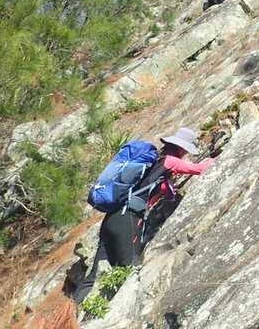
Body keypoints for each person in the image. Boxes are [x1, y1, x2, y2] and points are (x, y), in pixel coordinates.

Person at [72, 127, 215, 304]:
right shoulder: (170, 161)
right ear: (182, 148)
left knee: (93, 277)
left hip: (112, 218)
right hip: (128, 219)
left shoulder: (155, 162)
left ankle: (69, 314)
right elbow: (200, 169)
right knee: (130, 268)